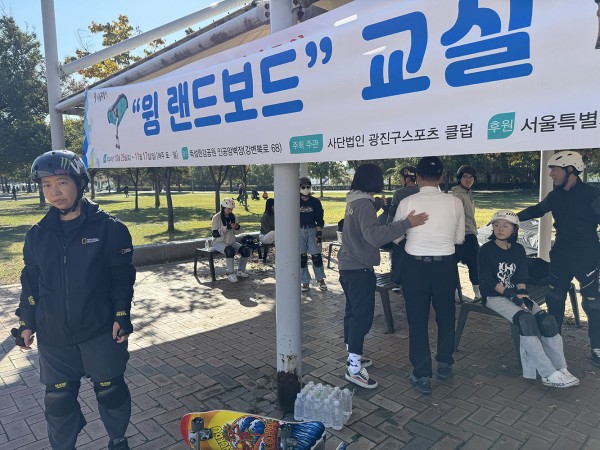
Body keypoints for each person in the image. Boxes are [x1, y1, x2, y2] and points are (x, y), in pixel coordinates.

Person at [13, 150, 135, 450]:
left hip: (100, 329)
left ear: (80, 183)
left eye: (62, 182)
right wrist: (26, 322)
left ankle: (118, 440)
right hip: (53, 334)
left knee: (110, 391)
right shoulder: (37, 235)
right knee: (58, 400)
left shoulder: (109, 228)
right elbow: (31, 282)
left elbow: (121, 277)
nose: (54, 192)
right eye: (47, 185)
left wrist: (121, 315)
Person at [338, 163, 428, 389]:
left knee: (352, 313)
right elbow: (374, 236)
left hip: (347, 266)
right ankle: (354, 368)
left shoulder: (354, 200)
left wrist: (379, 205)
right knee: (362, 317)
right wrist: (406, 223)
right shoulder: (363, 204)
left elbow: (364, 221)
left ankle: (353, 354)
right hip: (359, 269)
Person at [478, 210, 579, 388]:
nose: (500, 229)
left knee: (547, 321)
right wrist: (511, 296)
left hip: (515, 294)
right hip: (494, 296)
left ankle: (561, 368)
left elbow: (521, 277)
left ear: (514, 229)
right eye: (496, 225)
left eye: (505, 226)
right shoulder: (486, 250)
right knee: (526, 320)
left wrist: (522, 294)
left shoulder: (518, 249)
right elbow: (488, 280)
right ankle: (547, 373)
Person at [517, 150, 600, 366]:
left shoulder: (592, 194)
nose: (551, 174)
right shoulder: (555, 196)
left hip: (587, 255)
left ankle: (597, 347)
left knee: (593, 304)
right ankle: (553, 342)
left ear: (570, 169)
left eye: (554, 169)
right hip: (561, 254)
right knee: (554, 298)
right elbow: (537, 210)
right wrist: (511, 218)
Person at [393, 156, 465, 395]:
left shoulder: (407, 201)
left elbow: (396, 236)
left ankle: (422, 373)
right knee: (446, 315)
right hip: (445, 266)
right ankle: (445, 363)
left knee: (417, 319)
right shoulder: (455, 202)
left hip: (415, 267)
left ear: (418, 177)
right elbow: (459, 239)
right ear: (442, 176)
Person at [451, 165, 481, 300]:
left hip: (469, 233)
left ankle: (460, 293)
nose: (468, 179)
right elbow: (455, 217)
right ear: (459, 179)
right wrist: (459, 235)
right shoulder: (458, 195)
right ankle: (477, 294)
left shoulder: (467, 193)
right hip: (464, 235)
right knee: (474, 264)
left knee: (471, 264)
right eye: (465, 176)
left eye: (471, 177)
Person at [211, 198, 251, 283]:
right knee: (229, 251)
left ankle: (240, 271)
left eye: (231, 209)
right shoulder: (216, 217)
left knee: (245, 250)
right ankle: (230, 273)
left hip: (231, 242)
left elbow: (237, 232)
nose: (230, 211)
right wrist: (227, 227)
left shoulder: (233, 216)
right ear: (223, 207)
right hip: (218, 242)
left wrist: (237, 227)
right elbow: (215, 234)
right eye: (228, 209)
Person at [299, 177, 327, 291]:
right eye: (303, 187)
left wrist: (319, 234)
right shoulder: (294, 201)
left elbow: (319, 219)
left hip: (312, 230)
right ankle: (305, 281)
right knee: (302, 257)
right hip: (298, 231)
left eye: (308, 187)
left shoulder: (315, 202)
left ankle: (320, 279)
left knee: (316, 256)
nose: (306, 189)